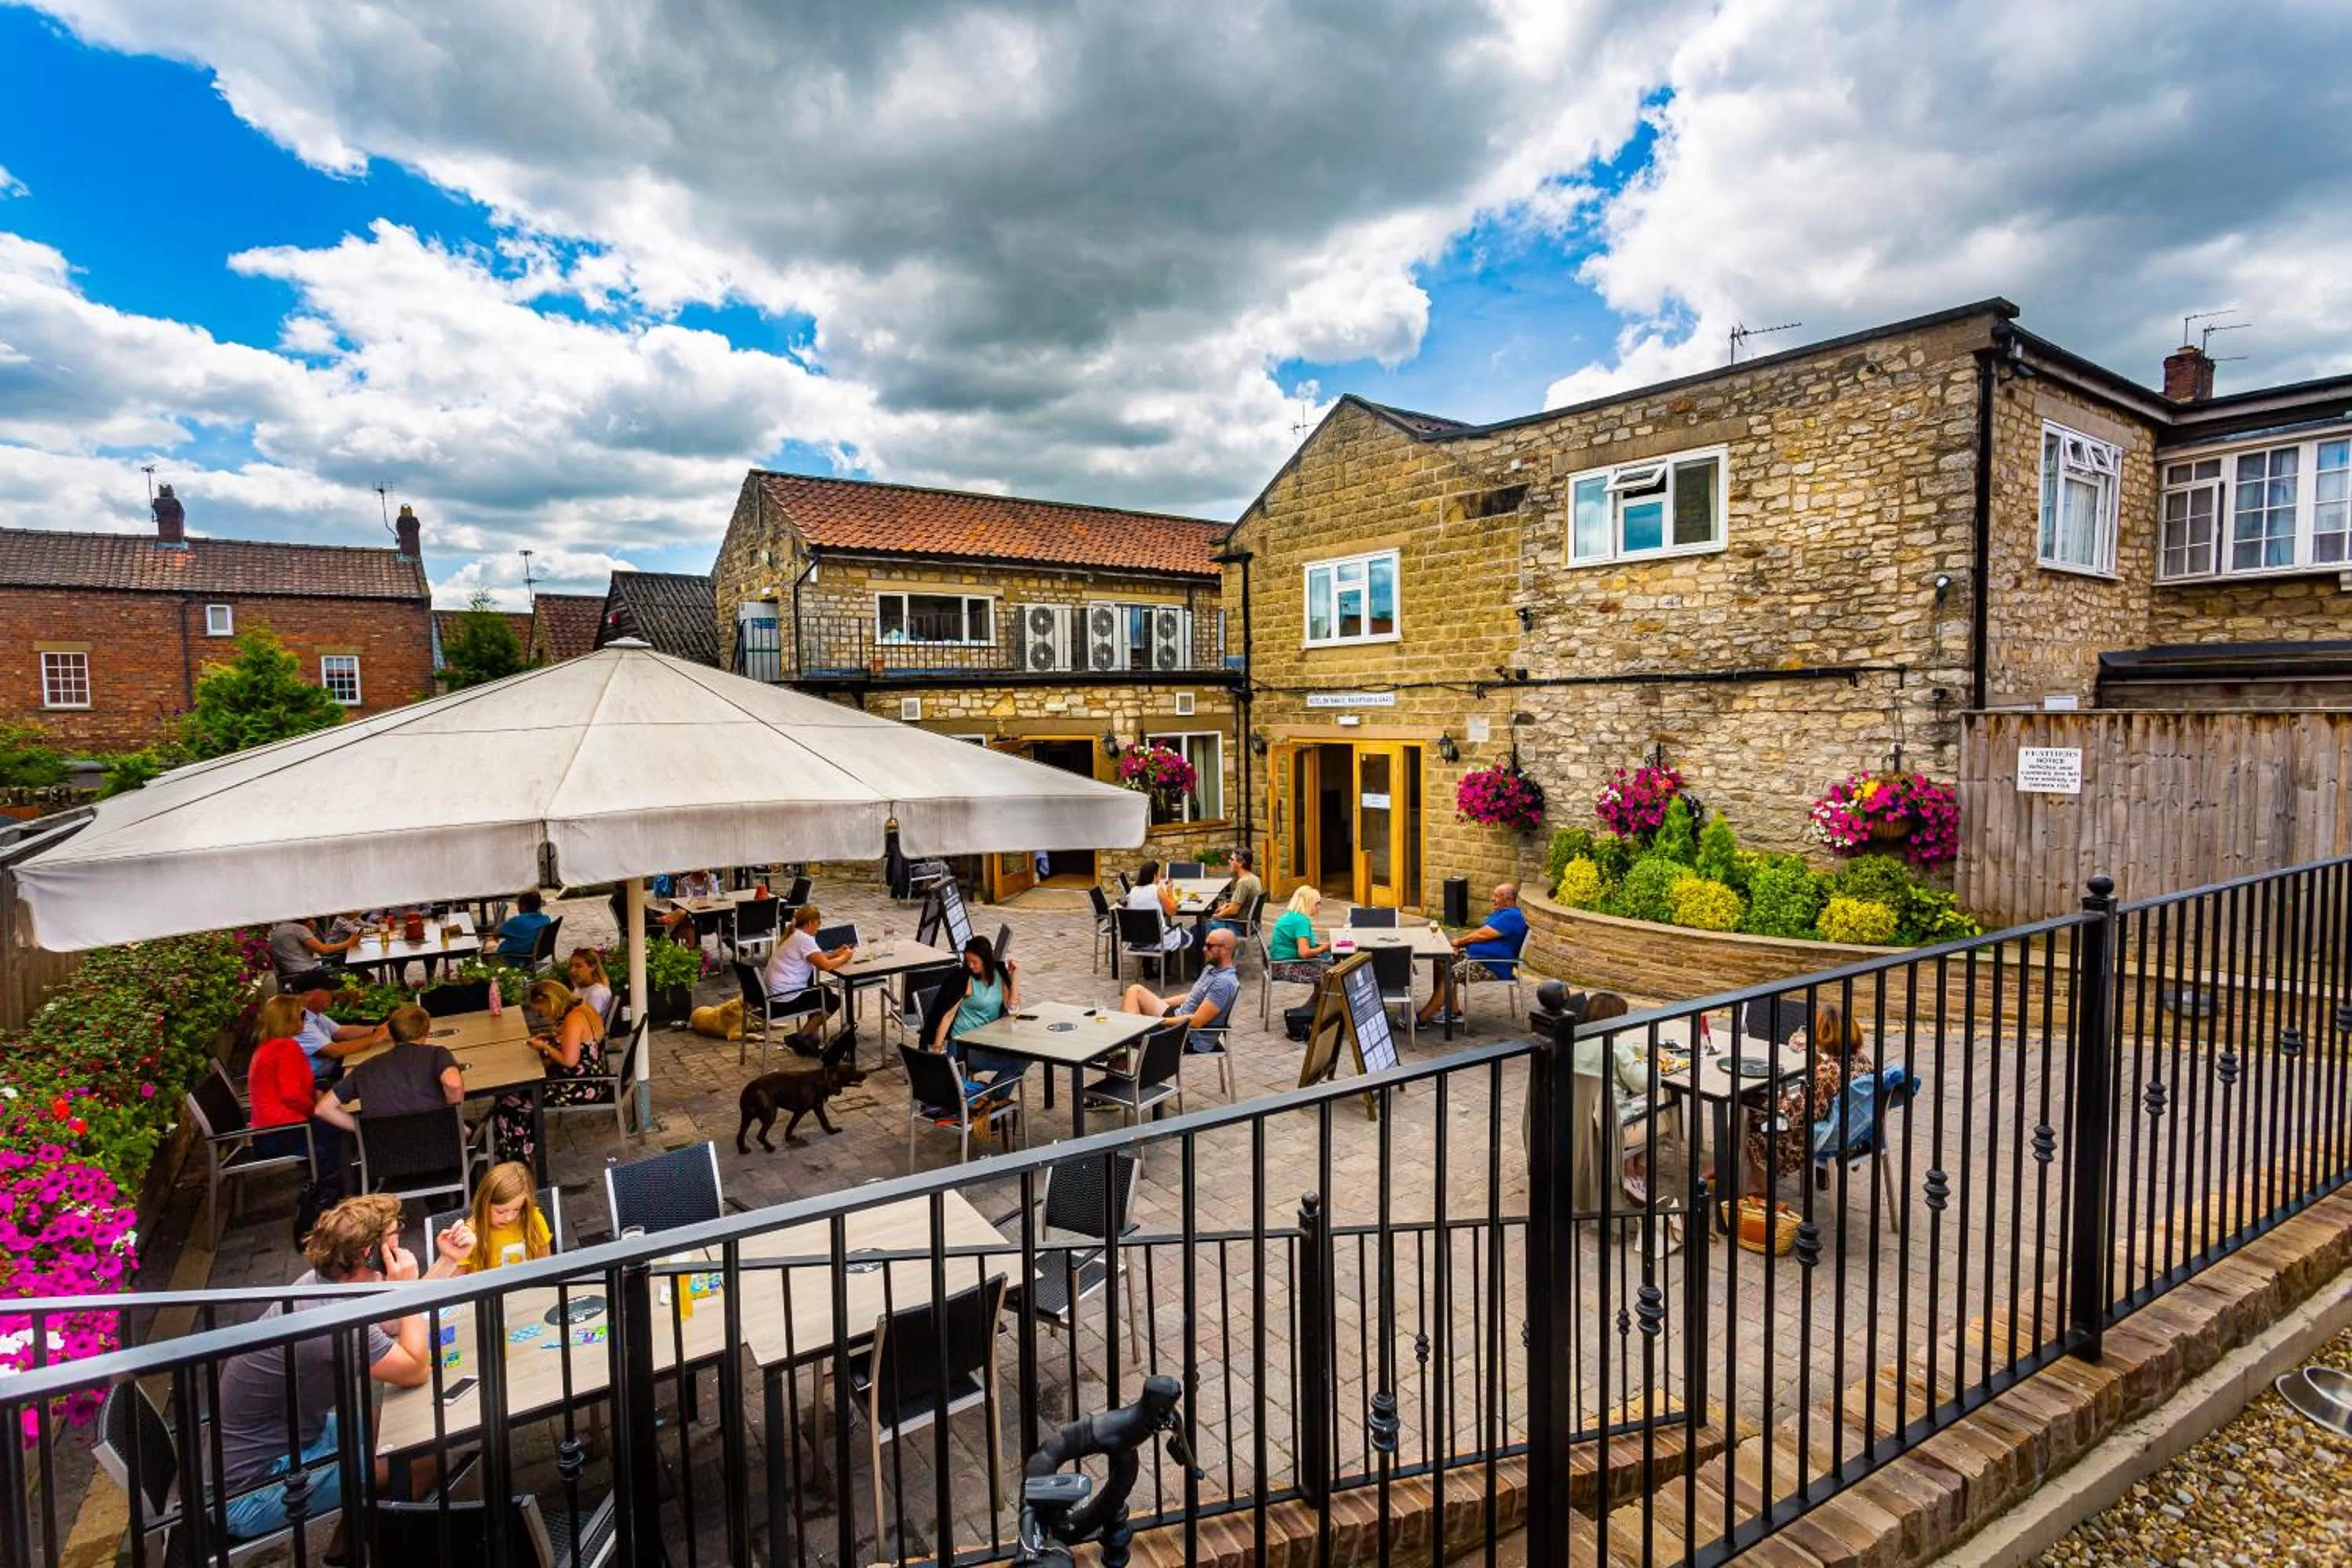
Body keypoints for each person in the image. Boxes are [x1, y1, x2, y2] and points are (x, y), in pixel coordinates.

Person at [213, 1194, 471, 1539]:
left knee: (409, 1424)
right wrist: (408, 1287)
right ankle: (381, 1548)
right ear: (369, 1251)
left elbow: (394, 1323)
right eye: (396, 1232)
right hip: (255, 1488)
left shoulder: (327, 1282)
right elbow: (414, 1369)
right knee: (424, 1458)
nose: (400, 1239)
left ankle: (346, 1546)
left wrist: (448, 1262)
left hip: (299, 1437)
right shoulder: (330, 1314)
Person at [1747, 1004, 1873, 1192]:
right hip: (1856, 1132)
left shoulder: (1827, 1073)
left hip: (1823, 1138)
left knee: (1752, 1118)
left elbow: (1801, 1114)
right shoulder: (1861, 1060)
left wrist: (1773, 1103)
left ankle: (1758, 1186)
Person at [492, 979, 606, 1166]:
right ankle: (522, 1144)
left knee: (509, 1099)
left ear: (550, 1001)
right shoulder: (584, 1009)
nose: (542, 1015)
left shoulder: (573, 1020)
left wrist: (544, 1046)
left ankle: (515, 1157)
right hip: (593, 1078)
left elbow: (569, 1061)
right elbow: (576, 1038)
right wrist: (552, 1035)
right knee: (516, 1093)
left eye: (541, 1010)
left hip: (579, 1085)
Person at [314, 1005, 461, 1133]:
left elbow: (323, 1109)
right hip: (439, 1146)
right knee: (468, 1129)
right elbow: (453, 1084)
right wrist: (451, 1117)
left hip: (385, 1156)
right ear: (426, 1031)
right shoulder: (436, 1054)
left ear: (391, 1033)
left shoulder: (365, 1069)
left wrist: (363, 1129)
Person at [1417, 883, 1529, 1028]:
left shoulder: (1512, 916)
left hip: (1492, 965)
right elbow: (1480, 933)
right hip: (1477, 958)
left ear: (1508, 900)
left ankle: (1421, 1019)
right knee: (1442, 959)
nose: (1492, 899)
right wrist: (1460, 946)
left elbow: (1483, 935)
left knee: (1451, 974)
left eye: (1496, 896)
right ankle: (1453, 1011)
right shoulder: (1501, 913)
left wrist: (1459, 942)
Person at [930, 932, 1026, 1086]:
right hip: (965, 1047)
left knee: (1026, 1058)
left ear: (986, 960)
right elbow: (948, 1016)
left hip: (989, 1041)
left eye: (975, 962)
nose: (970, 966)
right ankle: (990, 1099)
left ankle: (989, 1099)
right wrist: (936, 1050)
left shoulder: (999, 974)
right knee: (1016, 1064)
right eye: (968, 961)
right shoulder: (964, 980)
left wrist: (1014, 976)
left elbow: (1013, 1007)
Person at [1120, 925, 1239, 1050]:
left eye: (1209, 946)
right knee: (1135, 991)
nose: (1204, 949)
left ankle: (1127, 1043)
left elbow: (1196, 1022)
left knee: (1124, 1032)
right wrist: (1158, 1002)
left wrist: (1157, 1021)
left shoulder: (1224, 983)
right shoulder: (1212, 968)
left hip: (1187, 1036)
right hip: (1178, 1018)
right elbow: (1191, 996)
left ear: (1226, 949)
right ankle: (1130, 1035)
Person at [245, 996, 328, 1164]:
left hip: (268, 1134)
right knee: (343, 1125)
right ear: (289, 1020)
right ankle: (337, 1183)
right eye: (302, 1015)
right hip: (284, 1133)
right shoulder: (286, 1048)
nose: (305, 1020)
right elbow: (291, 1095)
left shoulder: (267, 1046)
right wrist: (317, 1110)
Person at [762, 904, 855, 1051]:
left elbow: (815, 957)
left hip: (771, 994)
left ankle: (806, 1037)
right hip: (785, 999)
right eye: (818, 924)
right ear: (811, 923)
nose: (818, 929)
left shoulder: (794, 934)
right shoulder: (804, 939)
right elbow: (825, 966)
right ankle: (802, 1037)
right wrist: (845, 957)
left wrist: (834, 954)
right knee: (832, 1001)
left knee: (822, 993)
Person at [452, 1161, 555, 1272]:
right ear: (484, 1204)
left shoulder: (533, 1219)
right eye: (500, 1212)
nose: (509, 1217)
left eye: (517, 1209)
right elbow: (456, 1285)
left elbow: (546, 1267)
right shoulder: (469, 1234)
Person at [295, 985, 388, 1084]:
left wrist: (378, 1029)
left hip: (331, 1069)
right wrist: (375, 1038)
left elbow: (341, 1032)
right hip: (321, 1079)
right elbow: (334, 1051)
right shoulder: (298, 1021)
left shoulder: (313, 1014)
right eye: (328, 990)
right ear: (308, 995)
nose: (334, 993)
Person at [267, 916, 358, 991]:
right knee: (350, 984)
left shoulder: (278, 930)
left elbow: (307, 954)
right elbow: (323, 950)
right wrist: (349, 942)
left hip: (292, 976)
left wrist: (310, 932)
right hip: (308, 974)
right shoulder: (298, 929)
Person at [1268, 885, 1333, 984]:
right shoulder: (1301, 921)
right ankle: (1318, 999)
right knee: (1332, 975)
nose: (1319, 907)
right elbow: (1304, 953)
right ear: (1308, 903)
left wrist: (1322, 947)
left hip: (1278, 963)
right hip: (1285, 966)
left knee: (1329, 967)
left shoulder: (1291, 916)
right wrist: (1324, 948)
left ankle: (1318, 999)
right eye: (1317, 904)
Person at [1123, 860, 1191, 953]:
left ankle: (1152, 963)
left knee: (1160, 927)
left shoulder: (1133, 891)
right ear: (1155, 876)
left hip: (1136, 939)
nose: (1160, 878)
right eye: (1159, 874)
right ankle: (1166, 965)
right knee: (1187, 936)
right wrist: (1170, 891)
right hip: (1157, 939)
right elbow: (1172, 911)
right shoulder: (1157, 890)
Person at [1210, 850, 1263, 938]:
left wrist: (1216, 916)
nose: (1229, 861)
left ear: (1241, 863)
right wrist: (1227, 905)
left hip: (1239, 926)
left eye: (1232, 859)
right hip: (1252, 925)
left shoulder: (1243, 883)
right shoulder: (1254, 878)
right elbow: (1239, 904)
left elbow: (1233, 910)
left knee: (1205, 926)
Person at [494, 889, 553, 961]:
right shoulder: (546, 919)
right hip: (532, 955)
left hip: (512, 958)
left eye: (518, 904)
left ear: (523, 906)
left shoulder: (516, 922)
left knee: (488, 945)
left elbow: (496, 933)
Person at [567, 949, 614, 1024]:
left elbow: (587, 1023)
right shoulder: (578, 990)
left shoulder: (597, 992)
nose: (572, 970)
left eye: (578, 966)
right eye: (571, 966)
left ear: (592, 967)